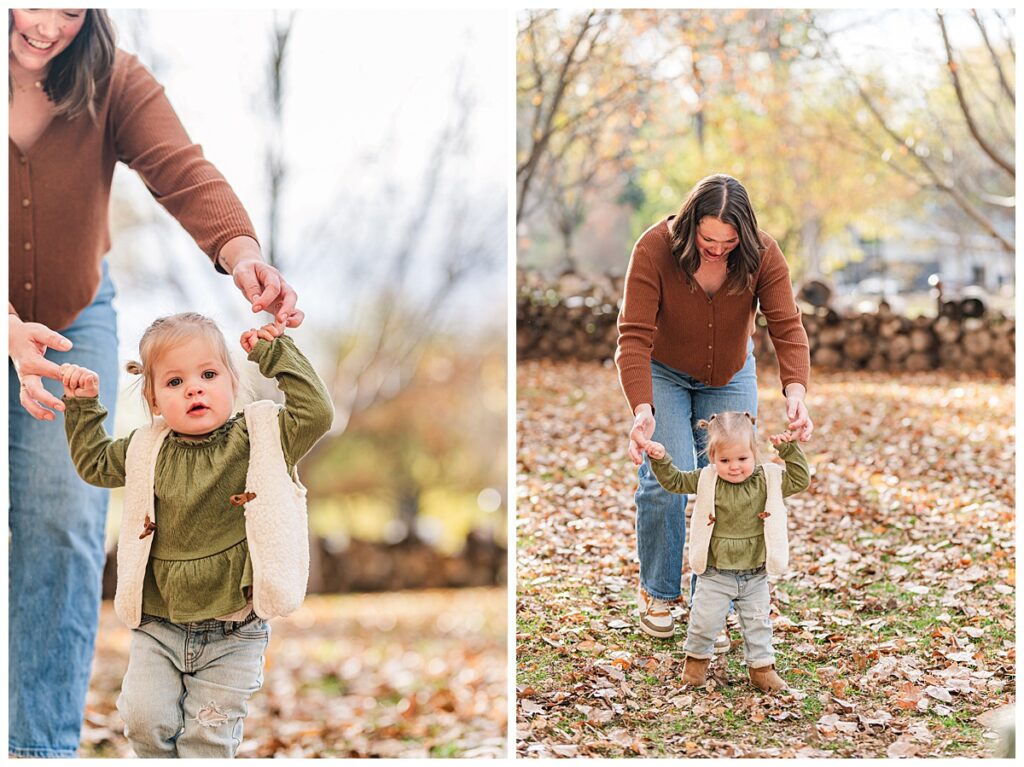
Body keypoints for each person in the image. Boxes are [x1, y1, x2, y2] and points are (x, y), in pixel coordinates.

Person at [9, 9, 303, 757]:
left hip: (76, 312)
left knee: (62, 524)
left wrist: (243, 255)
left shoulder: (113, 78)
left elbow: (182, 167)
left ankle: (39, 747)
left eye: (71, 9)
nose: (46, 24)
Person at [60, 313, 333, 757]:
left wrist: (276, 354)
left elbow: (316, 412)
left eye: (208, 374)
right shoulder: (146, 449)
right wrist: (83, 406)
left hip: (234, 629)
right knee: (145, 722)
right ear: (152, 398)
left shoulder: (259, 436)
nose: (194, 388)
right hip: (159, 626)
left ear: (231, 380)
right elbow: (93, 462)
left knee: (206, 739)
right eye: (174, 381)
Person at [615, 173, 813, 639]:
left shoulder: (763, 253)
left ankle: (714, 596)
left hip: (729, 373)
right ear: (689, 227)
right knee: (670, 472)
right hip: (663, 370)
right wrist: (642, 409)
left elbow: (786, 325)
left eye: (729, 240)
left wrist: (796, 392)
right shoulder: (653, 249)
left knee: (731, 476)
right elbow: (634, 336)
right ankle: (659, 593)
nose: (718, 249)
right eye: (708, 239)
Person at [644, 412, 809, 691]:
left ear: (754, 453)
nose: (734, 467)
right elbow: (674, 482)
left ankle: (761, 669)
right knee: (704, 622)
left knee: (758, 624)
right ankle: (695, 667)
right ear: (712, 458)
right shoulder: (708, 479)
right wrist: (661, 460)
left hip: (754, 573)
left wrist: (789, 450)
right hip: (715, 573)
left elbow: (800, 480)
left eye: (742, 459)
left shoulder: (767, 479)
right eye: (725, 460)